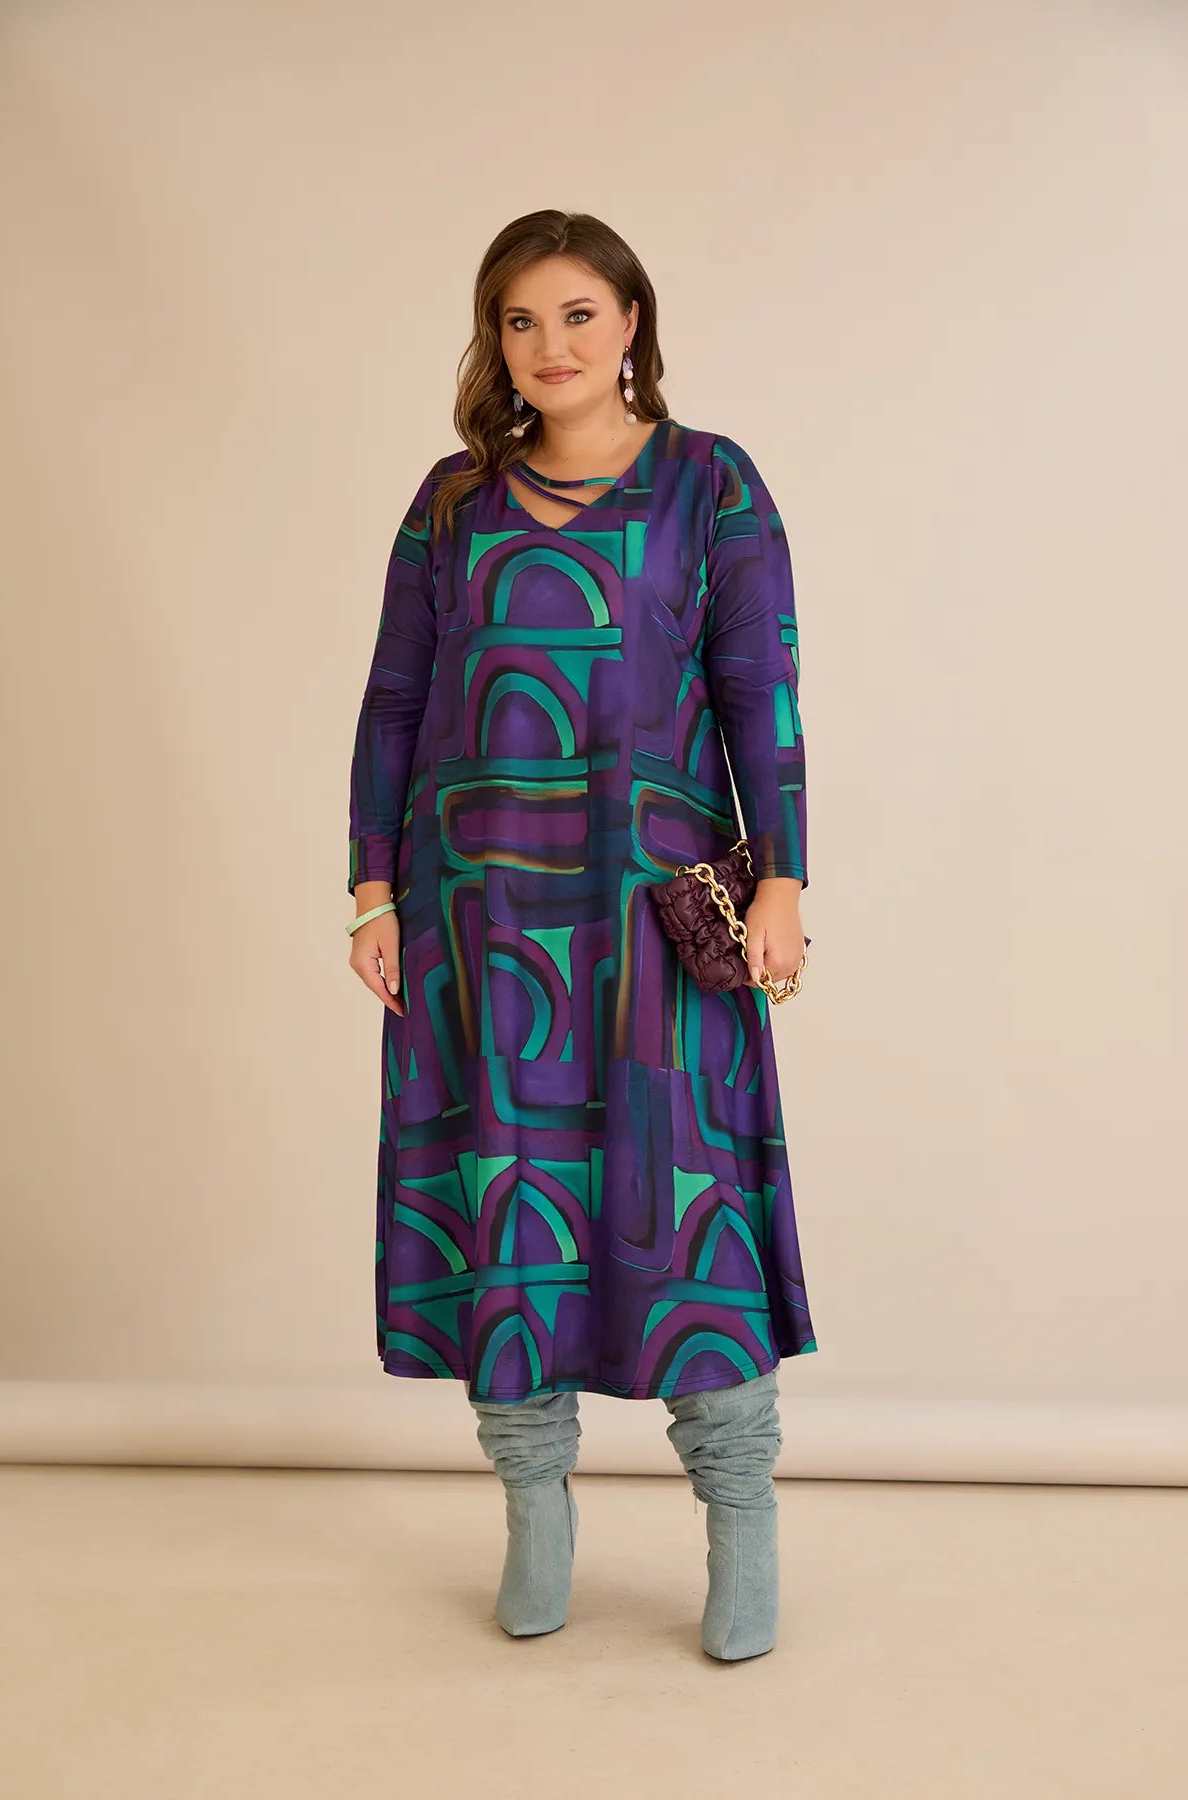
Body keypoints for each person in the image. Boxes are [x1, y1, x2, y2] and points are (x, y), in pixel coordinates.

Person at [346, 210, 817, 1662]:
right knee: (509, 1213)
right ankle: (535, 1521)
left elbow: (760, 690)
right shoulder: (452, 502)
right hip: (480, 922)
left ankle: (742, 1529)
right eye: (520, 321)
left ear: (631, 324)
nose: (548, 345)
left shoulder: (711, 485)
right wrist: (374, 891)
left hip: (651, 913)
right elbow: (394, 703)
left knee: (691, 1223)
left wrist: (785, 881)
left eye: (577, 314)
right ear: (495, 343)